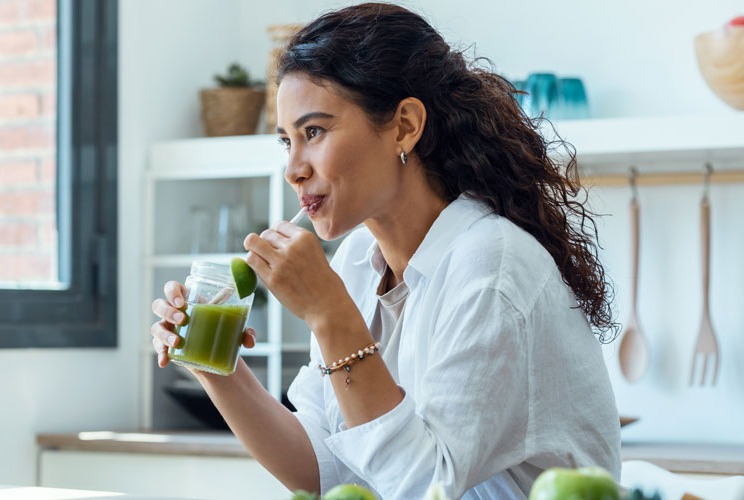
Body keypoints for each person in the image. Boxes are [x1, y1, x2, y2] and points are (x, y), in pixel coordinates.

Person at [150, 3, 621, 498]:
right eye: (285, 140)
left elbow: (425, 488)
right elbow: (324, 467)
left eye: (314, 132)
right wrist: (213, 364)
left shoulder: (491, 267)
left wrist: (330, 315)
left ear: (404, 126)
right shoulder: (357, 258)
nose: (293, 168)